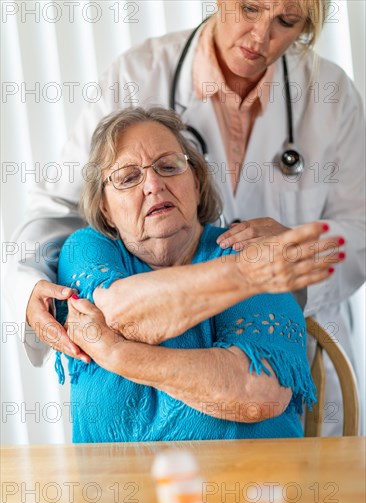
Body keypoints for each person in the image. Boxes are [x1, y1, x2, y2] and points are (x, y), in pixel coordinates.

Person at [7, 0, 365, 436]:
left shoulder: (329, 93)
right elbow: (59, 208)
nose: (260, 36)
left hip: (284, 348)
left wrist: (295, 251)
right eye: (250, 9)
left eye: (286, 22)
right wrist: (25, 289)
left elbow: (359, 227)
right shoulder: (137, 76)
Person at [55, 106, 343, 442]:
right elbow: (118, 312)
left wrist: (119, 354)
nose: (153, 185)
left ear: (196, 179)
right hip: (117, 492)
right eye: (128, 177)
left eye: (168, 166)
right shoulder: (87, 250)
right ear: (105, 207)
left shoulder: (248, 249)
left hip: (251, 488)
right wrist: (244, 275)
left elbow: (257, 393)